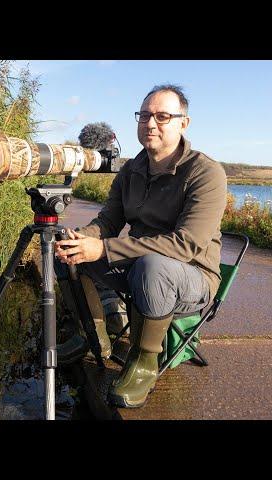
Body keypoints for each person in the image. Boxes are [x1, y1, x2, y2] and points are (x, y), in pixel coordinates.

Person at [55, 84, 227, 408]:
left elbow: (184, 245)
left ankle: (143, 363)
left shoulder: (206, 173)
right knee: (66, 249)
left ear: (183, 123)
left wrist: (104, 249)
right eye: (145, 115)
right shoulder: (131, 170)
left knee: (154, 267)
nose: (151, 123)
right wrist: (84, 238)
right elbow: (108, 221)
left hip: (190, 276)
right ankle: (92, 339)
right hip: (137, 266)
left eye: (162, 116)